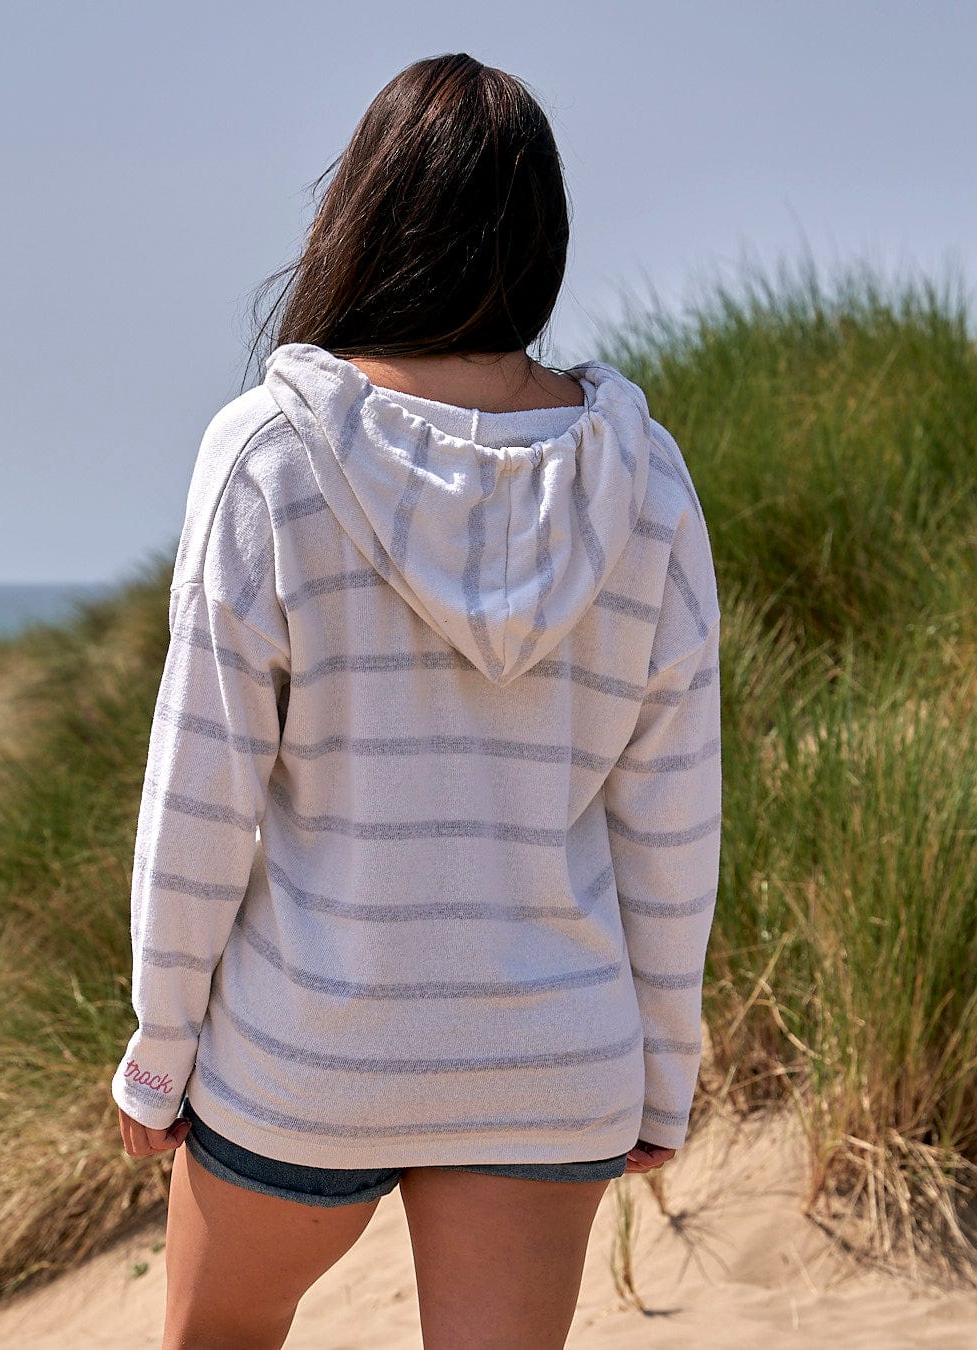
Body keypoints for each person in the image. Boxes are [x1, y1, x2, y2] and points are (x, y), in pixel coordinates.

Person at [111, 52, 721, 1350]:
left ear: (366, 217)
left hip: (309, 1051)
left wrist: (162, 1045)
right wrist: (663, 1069)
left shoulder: (271, 456)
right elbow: (673, 821)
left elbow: (199, 791)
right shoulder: (646, 484)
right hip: (548, 1057)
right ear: (539, 239)